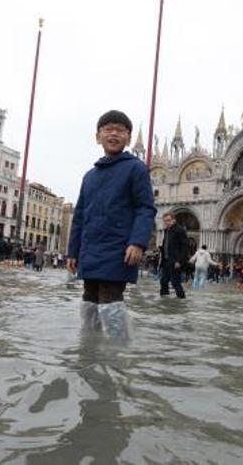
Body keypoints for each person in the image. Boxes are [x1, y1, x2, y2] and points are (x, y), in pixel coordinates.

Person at [67, 110, 156, 339]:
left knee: (110, 298)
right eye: (108, 129)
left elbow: (145, 208)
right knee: (89, 298)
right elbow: (79, 217)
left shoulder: (135, 168)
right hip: (90, 248)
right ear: (98, 136)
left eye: (120, 129)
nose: (114, 133)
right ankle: (89, 349)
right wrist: (72, 252)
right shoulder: (89, 176)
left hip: (118, 248)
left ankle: (117, 356)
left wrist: (137, 242)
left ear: (128, 137)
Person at [159, 211, 189, 299]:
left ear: (174, 220)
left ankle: (182, 300)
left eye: (168, 220)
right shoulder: (167, 231)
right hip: (166, 260)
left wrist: (179, 261)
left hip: (175, 261)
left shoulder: (180, 230)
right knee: (163, 281)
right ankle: (165, 299)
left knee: (175, 282)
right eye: (165, 221)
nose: (167, 222)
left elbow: (185, 246)